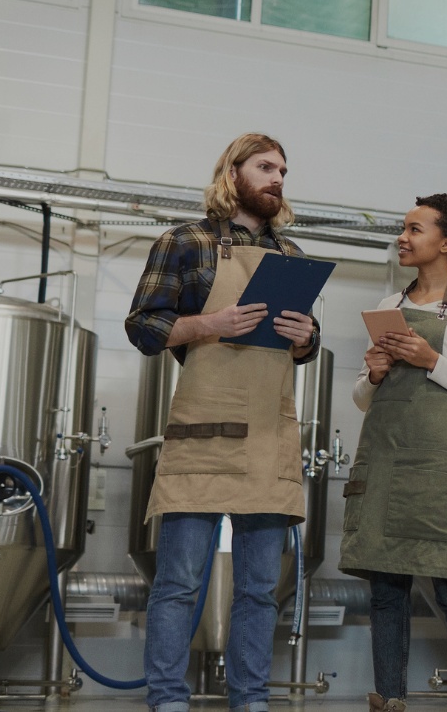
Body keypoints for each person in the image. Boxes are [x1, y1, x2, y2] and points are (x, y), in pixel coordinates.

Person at [125, 133, 320, 712]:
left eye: (282, 170)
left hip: (268, 438)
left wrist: (306, 338)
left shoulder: (293, 257)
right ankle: (167, 699)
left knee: (260, 591)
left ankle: (250, 700)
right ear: (232, 174)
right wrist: (212, 324)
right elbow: (143, 327)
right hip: (204, 434)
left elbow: (307, 347)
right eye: (265, 167)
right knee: (178, 585)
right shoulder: (185, 241)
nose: (277, 178)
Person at [341, 193, 447, 712]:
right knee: (386, 588)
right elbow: (361, 399)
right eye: (403, 228)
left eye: (415, 229)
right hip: (383, 461)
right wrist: (373, 374)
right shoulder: (387, 307)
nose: (403, 237)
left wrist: (432, 360)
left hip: (437, 467)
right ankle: (389, 699)